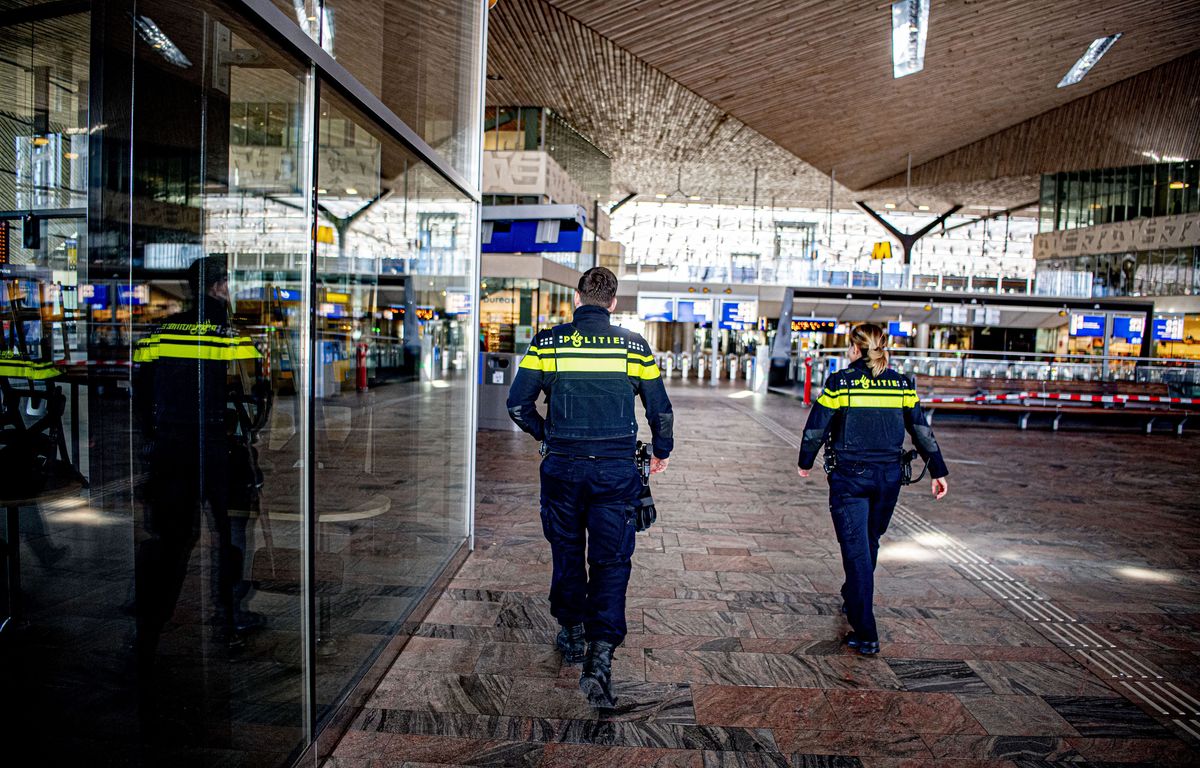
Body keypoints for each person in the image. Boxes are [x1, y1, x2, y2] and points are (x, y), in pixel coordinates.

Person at [506, 267, 673, 708]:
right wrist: (662, 450)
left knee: (566, 551)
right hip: (616, 473)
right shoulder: (634, 346)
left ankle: (572, 630)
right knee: (611, 561)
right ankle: (600, 658)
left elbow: (517, 405)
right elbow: (660, 409)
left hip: (563, 469)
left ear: (577, 298)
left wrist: (548, 435)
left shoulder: (548, 342)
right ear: (613, 303)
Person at [132, 255, 264, 666]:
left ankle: (150, 630)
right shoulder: (233, 336)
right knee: (230, 535)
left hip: (172, 450)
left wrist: (156, 436)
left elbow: (141, 393)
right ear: (220, 287)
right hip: (220, 449)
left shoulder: (160, 332)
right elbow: (255, 398)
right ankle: (230, 619)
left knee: (172, 542)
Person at [796, 323, 948, 655]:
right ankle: (854, 597)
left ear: (854, 349)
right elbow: (920, 429)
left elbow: (817, 425)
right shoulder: (901, 384)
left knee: (856, 552)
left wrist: (805, 460)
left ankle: (866, 631)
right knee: (869, 542)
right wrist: (937, 470)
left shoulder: (841, 383)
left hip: (850, 478)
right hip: (889, 478)